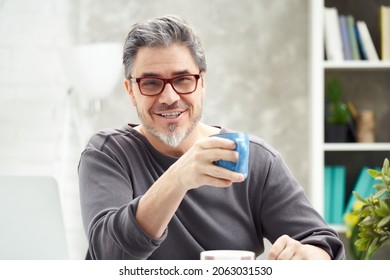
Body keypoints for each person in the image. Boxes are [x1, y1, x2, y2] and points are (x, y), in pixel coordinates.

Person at [78, 15, 345, 260]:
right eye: (150, 83)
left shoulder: (255, 159)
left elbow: (325, 248)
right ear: (131, 90)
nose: (169, 98)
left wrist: (307, 257)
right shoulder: (107, 154)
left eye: (183, 79)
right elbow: (108, 257)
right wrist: (179, 177)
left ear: (202, 83)